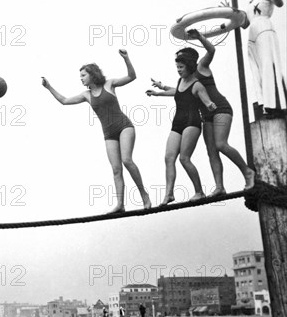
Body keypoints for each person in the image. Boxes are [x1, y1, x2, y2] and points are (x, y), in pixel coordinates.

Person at [42, 49, 151, 213]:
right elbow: (64, 101)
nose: (81, 78)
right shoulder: (86, 95)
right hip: (108, 134)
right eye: (80, 76)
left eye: (83, 75)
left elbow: (131, 77)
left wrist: (126, 58)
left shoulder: (109, 84)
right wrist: (49, 87)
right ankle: (120, 204)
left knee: (127, 160)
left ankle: (144, 196)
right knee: (116, 169)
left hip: (124, 127)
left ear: (92, 74)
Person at [150, 31, 256, 194]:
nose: (178, 64)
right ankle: (219, 187)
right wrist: (161, 89)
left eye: (180, 59)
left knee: (220, 144)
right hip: (206, 114)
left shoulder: (202, 66)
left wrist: (199, 37)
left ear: (189, 60)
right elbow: (180, 91)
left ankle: (248, 172)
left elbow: (212, 50)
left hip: (220, 108)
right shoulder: (185, 78)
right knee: (211, 150)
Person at [147, 50, 218, 205]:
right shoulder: (181, 81)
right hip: (178, 122)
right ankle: (169, 194)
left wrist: (210, 105)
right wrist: (158, 92)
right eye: (177, 67)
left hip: (192, 123)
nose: (178, 70)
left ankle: (199, 192)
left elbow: (206, 101)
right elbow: (177, 92)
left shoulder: (197, 85)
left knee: (184, 158)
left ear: (189, 67)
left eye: (181, 67)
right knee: (168, 157)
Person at [239, 0, 286, 115]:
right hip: (253, 36)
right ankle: (265, 103)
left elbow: (279, 3)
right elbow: (245, 24)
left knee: (268, 65)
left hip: (265, 31)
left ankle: (276, 103)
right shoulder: (250, 3)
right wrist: (231, 12)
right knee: (257, 70)